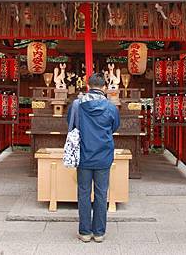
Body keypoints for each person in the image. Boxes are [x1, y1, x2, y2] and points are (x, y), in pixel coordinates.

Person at [67, 73, 120, 243]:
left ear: (88, 86)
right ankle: (99, 233)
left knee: (83, 193)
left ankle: (84, 232)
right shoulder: (111, 107)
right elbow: (114, 127)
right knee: (101, 193)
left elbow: (71, 124)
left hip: (83, 154)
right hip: (103, 155)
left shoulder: (77, 104)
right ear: (104, 87)